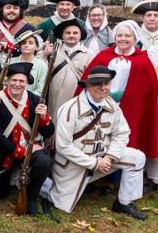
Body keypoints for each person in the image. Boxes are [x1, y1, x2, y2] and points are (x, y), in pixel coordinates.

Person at [44, 66, 147, 219]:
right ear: (87, 85)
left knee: (138, 157)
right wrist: (94, 163)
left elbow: (122, 133)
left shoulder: (111, 105)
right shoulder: (70, 109)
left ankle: (124, 203)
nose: (103, 88)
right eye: (98, 83)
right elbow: (63, 146)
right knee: (61, 204)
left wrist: (109, 158)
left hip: (103, 158)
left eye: (106, 83)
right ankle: (46, 184)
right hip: (75, 163)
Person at [78, 20, 158, 188]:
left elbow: (148, 89)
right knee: (98, 135)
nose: (123, 39)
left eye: (127, 36)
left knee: (126, 138)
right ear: (114, 37)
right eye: (120, 35)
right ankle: (94, 176)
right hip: (101, 104)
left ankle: (119, 179)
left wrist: (130, 97)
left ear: (135, 38)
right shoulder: (104, 55)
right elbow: (88, 81)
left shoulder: (143, 60)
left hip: (131, 108)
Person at [0, 62, 54, 215]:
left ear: (26, 83)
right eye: (13, 80)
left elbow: (49, 132)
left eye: (21, 81)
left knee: (44, 161)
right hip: (5, 152)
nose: (17, 84)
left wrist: (44, 117)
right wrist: (22, 152)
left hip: (30, 146)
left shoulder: (35, 100)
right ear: (7, 81)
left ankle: (30, 197)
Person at [45, 19, 94, 121]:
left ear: (80, 36)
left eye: (75, 33)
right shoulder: (52, 51)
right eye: (68, 33)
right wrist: (45, 55)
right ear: (62, 36)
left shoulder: (89, 55)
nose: (71, 35)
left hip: (76, 97)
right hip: (53, 96)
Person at [9, 30, 47, 96]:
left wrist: (24, 98)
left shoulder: (42, 66)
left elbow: (41, 90)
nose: (27, 45)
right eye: (24, 43)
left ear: (37, 47)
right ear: (20, 46)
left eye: (31, 43)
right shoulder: (10, 62)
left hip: (31, 101)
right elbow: (3, 84)